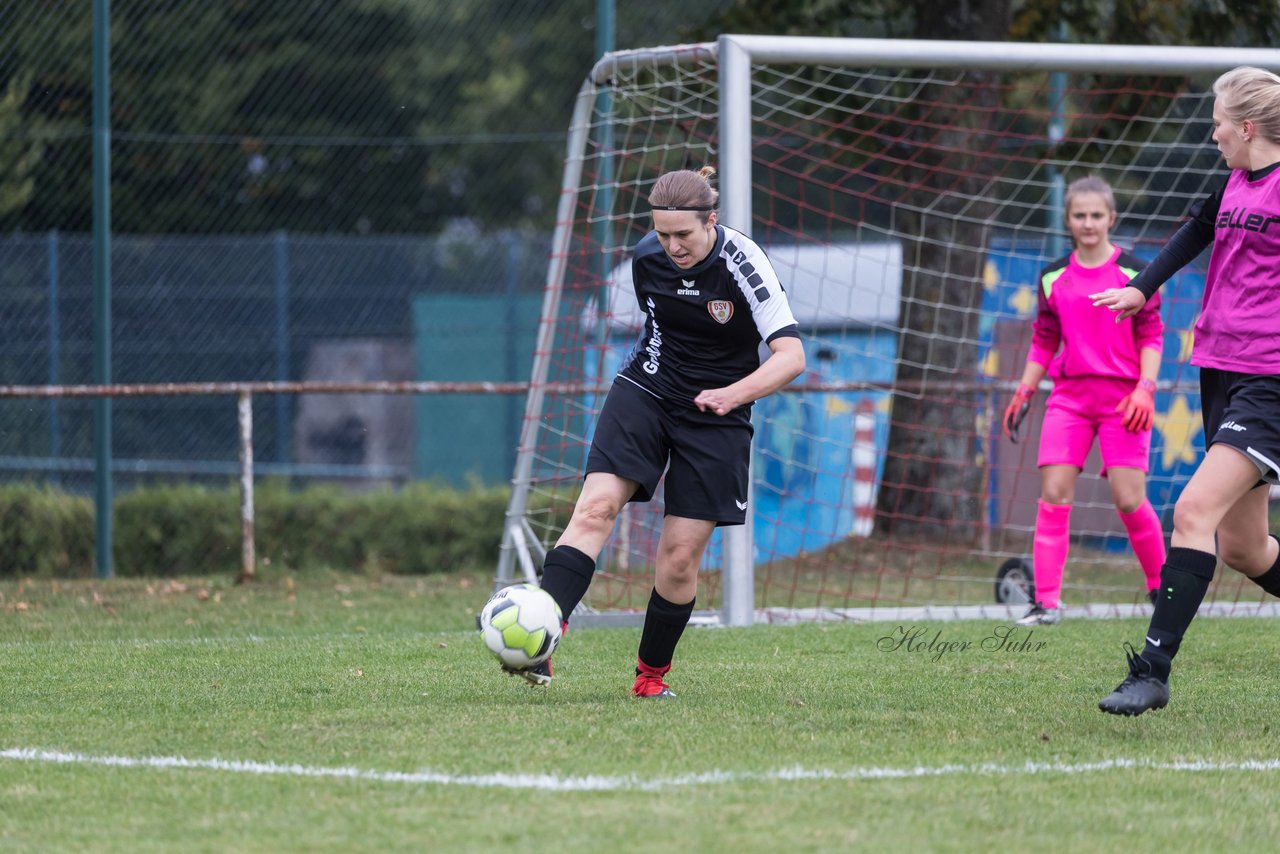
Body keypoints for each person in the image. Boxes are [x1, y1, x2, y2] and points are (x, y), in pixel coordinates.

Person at [502, 165, 806, 698]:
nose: (672, 247)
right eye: (663, 234)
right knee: (594, 509)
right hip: (647, 388)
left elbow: (791, 357)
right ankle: (543, 638)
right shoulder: (647, 257)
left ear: (711, 220)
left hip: (719, 412)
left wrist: (732, 394)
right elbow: (657, 327)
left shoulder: (744, 263)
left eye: (683, 235)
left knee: (680, 556)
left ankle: (650, 677)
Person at [1091, 66, 1280, 716]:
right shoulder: (1234, 181)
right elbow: (1197, 231)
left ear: (1247, 126)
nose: (1213, 131)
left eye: (1220, 120)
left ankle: (1152, 670)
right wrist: (1143, 285)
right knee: (1244, 547)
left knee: (1193, 513)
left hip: (1269, 382)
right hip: (1220, 370)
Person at [1002, 175, 1166, 626]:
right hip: (1069, 398)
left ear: (1111, 218)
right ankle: (1047, 604)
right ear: (1068, 220)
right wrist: (1024, 389)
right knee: (1053, 495)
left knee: (1129, 500)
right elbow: (1044, 339)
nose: (1089, 223)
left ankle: (1163, 592)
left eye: (1097, 215)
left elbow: (1152, 334)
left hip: (1125, 401)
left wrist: (1145, 388)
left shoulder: (1137, 273)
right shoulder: (1052, 277)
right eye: (1080, 215)